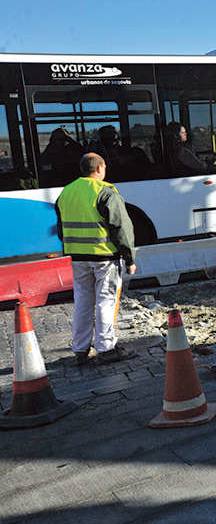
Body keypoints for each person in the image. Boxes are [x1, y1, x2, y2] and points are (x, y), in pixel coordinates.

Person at [55, 153, 138, 365]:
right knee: (106, 301)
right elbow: (122, 230)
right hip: (105, 258)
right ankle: (106, 348)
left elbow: (62, 229)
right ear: (100, 168)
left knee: (83, 302)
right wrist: (129, 259)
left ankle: (80, 350)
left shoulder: (66, 192)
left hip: (78, 258)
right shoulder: (106, 193)